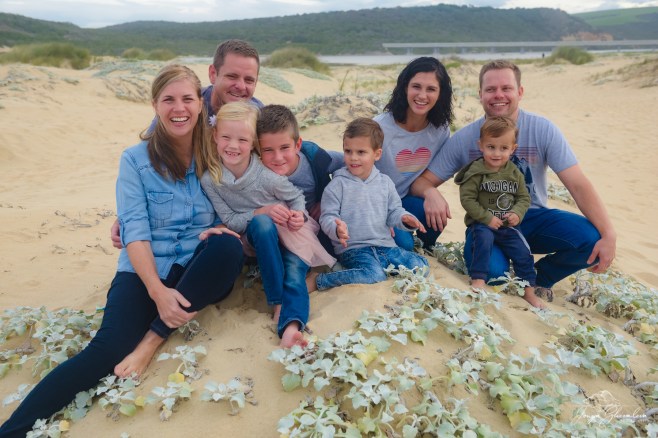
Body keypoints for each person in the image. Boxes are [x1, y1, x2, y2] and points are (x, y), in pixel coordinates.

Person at [0, 65, 244, 437]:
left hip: (198, 265)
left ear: (201, 103)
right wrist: (157, 292)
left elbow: (275, 158)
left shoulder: (218, 150)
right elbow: (136, 234)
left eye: (187, 99)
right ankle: (12, 431)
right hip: (145, 268)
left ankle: (152, 340)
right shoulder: (135, 160)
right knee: (107, 350)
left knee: (227, 246)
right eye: (169, 100)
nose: (179, 108)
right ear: (155, 105)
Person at [421, 59, 616, 296]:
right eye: (490, 89)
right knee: (494, 274)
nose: (498, 95)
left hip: (533, 218)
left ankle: (540, 277)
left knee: (592, 238)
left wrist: (609, 234)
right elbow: (424, 181)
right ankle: (501, 263)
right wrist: (431, 192)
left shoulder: (542, 129)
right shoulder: (466, 138)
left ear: (520, 92)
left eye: (506, 88)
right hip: (486, 224)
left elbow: (577, 184)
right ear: (480, 94)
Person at [198, 102, 334, 348]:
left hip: (288, 232)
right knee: (262, 222)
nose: (233, 146)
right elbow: (230, 220)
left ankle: (291, 326)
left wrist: (299, 215)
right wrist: (261, 212)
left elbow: (296, 197)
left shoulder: (265, 174)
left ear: (252, 144)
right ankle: (277, 301)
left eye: (242, 139)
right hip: (256, 236)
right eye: (226, 137)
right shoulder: (211, 180)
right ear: (215, 136)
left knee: (294, 271)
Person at [110, 38, 263, 249]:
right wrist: (129, 214)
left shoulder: (257, 116)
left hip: (238, 204)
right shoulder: (187, 105)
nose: (241, 86)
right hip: (198, 209)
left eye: (249, 80)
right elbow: (151, 162)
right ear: (213, 74)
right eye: (232, 76)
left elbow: (282, 156)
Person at [308, 118, 429, 291]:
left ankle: (379, 269)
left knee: (421, 266)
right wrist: (336, 228)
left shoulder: (385, 183)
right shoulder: (337, 185)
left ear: (377, 154)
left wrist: (404, 218)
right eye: (348, 151)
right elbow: (327, 217)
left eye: (361, 152)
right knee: (374, 275)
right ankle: (320, 280)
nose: (353, 158)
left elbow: (394, 211)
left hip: (387, 246)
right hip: (355, 250)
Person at [454, 116, 543, 308]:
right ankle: (478, 280)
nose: (497, 153)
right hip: (482, 224)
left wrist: (516, 213)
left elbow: (524, 197)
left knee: (524, 251)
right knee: (483, 241)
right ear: (481, 146)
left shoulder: (514, 172)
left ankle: (529, 291)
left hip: (507, 225)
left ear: (513, 149)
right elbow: (467, 199)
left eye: (503, 148)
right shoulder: (476, 171)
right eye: (491, 147)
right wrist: (486, 218)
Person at [374, 56, 454, 252]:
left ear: (441, 94)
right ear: (405, 88)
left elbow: (429, 176)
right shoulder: (380, 127)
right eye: (416, 86)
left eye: (431, 89)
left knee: (436, 215)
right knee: (404, 245)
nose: (422, 95)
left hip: (404, 201)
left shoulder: (440, 130)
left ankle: (425, 247)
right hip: (375, 203)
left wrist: (431, 192)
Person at [257, 104, 344, 255]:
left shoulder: (315, 159)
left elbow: (348, 163)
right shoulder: (255, 170)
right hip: (279, 230)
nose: (278, 157)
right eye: (268, 150)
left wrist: (326, 199)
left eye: (284, 147)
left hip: (316, 224)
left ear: (297, 145)